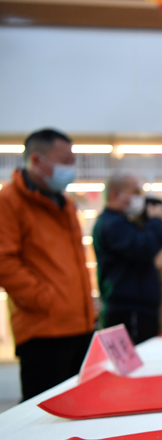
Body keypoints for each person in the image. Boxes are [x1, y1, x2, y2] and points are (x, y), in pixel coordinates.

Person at [0, 129, 95, 400]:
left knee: (79, 407)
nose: (70, 168)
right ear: (37, 160)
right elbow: (4, 261)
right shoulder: (9, 202)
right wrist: (45, 299)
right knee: (45, 417)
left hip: (80, 326)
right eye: (64, 160)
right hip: (43, 332)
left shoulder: (65, 204)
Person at [92, 175, 162, 344]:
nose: (139, 198)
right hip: (129, 311)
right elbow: (144, 248)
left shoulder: (122, 222)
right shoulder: (113, 225)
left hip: (136, 309)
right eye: (135, 192)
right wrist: (155, 221)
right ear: (114, 195)